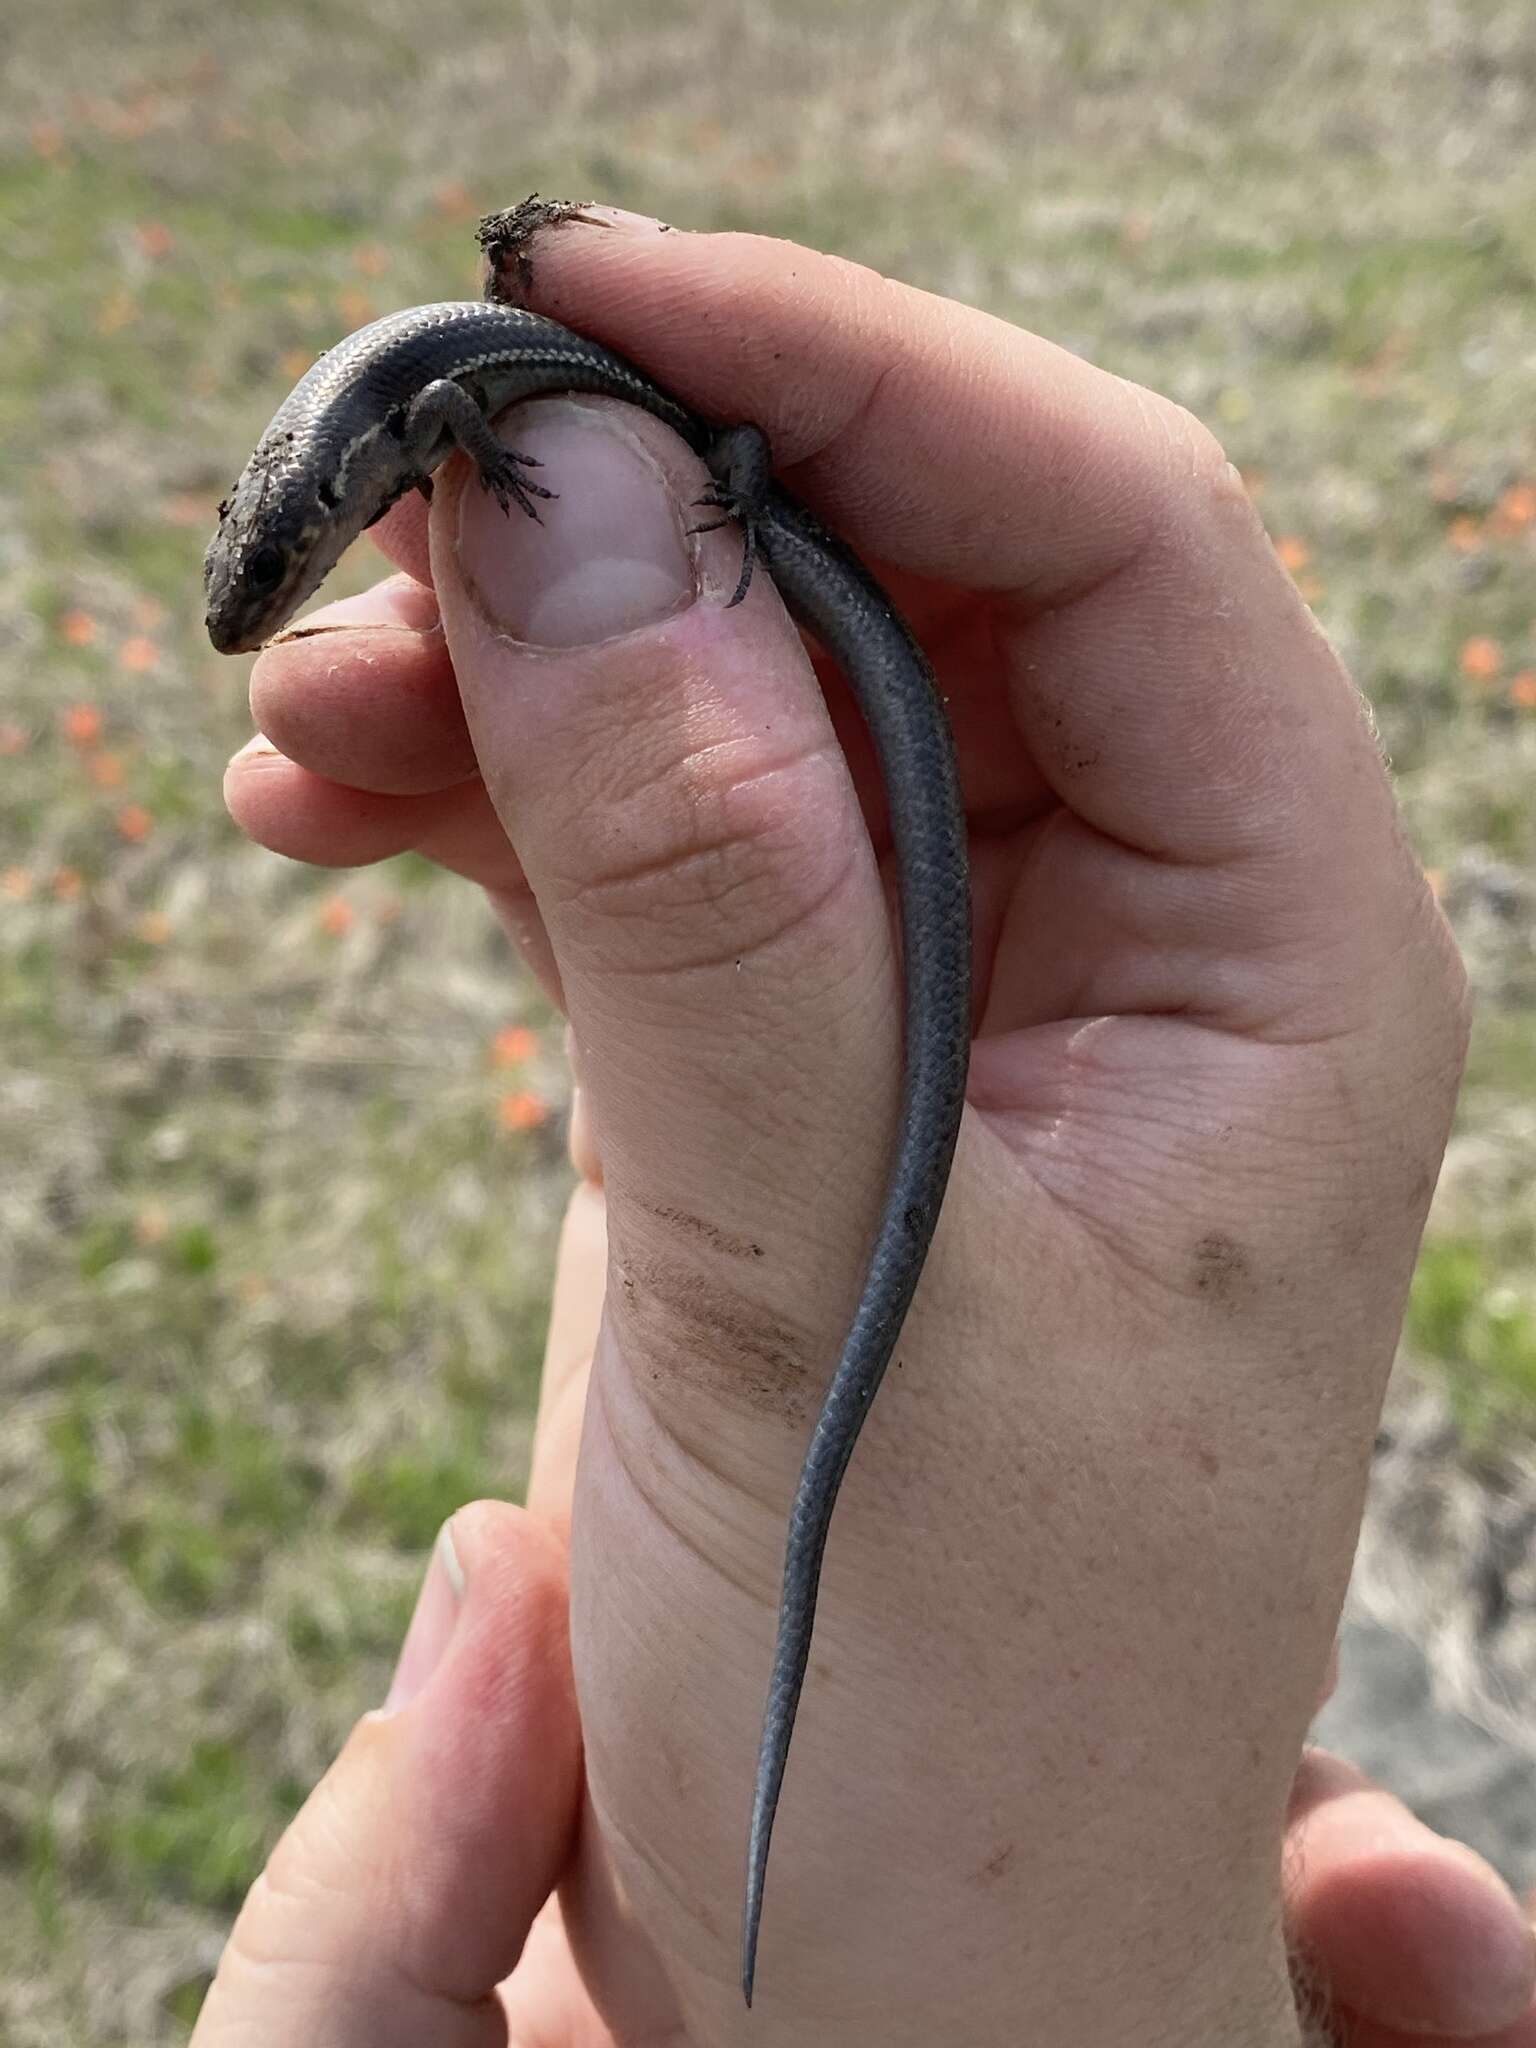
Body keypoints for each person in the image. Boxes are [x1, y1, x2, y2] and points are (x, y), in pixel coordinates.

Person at [197, 215, 1533, 2046]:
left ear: (348, 486)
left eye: (285, 564)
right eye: (276, 563)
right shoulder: (406, 413)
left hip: (754, 507)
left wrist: (622, 513)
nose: (283, 588)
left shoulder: (425, 404)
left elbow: (452, 405)